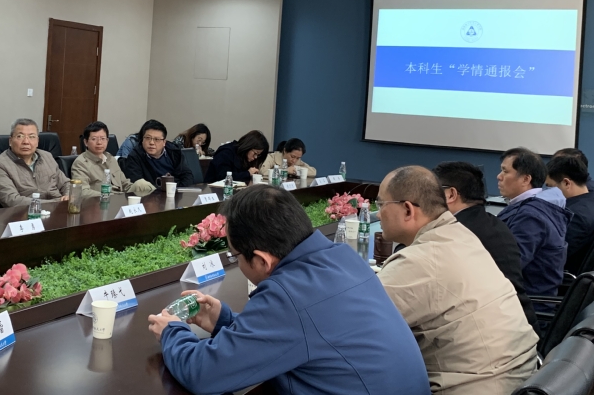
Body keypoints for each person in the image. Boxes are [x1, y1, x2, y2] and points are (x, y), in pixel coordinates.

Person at [147, 184, 431, 395]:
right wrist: (225, 321)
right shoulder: (343, 257)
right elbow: (303, 332)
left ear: (262, 260)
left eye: (235, 255)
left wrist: (172, 331)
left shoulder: (288, 296)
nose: (236, 261)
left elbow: (204, 374)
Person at [376, 166, 538, 394]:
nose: (377, 214)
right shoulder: (462, 236)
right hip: (520, 378)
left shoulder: (421, 260)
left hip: (479, 387)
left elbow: (352, 327)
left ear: (407, 210)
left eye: (381, 204)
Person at [433, 161, 539, 332]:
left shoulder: (456, 234)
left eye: (431, 194)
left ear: (450, 195)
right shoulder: (493, 223)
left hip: (495, 330)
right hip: (519, 324)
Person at [496, 147, 571, 303]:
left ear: (525, 179)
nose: (499, 176)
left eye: (505, 171)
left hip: (526, 303)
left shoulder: (531, 217)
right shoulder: (537, 206)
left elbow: (509, 266)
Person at [0, 118, 70, 207]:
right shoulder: (0, 166)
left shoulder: (47, 156)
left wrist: (68, 196)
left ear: (37, 141)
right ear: (10, 141)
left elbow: (66, 184)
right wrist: (56, 203)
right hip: (27, 212)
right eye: (20, 136)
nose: (26, 142)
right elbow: (12, 200)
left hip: (58, 209)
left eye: (32, 137)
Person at [71, 121, 154, 199]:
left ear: (107, 141)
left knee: (142, 184)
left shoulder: (110, 158)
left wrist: (136, 187)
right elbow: (83, 192)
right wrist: (111, 196)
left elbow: (125, 183)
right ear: (86, 142)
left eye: (103, 138)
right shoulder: (80, 163)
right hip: (100, 202)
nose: (99, 142)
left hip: (120, 198)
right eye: (94, 139)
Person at [546, 154, 594, 274]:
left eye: (550, 187)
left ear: (567, 183)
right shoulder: (589, 201)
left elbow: (553, 257)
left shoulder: (574, 216)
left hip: (564, 278)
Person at [124, 120, 194, 187]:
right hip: (150, 194)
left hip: (175, 191)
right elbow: (138, 184)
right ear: (142, 140)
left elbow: (187, 175)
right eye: (148, 138)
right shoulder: (134, 157)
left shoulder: (174, 152)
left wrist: (174, 190)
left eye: (156, 139)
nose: (151, 142)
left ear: (164, 142)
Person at [204, 130, 268, 183]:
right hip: (212, 189)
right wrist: (247, 173)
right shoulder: (226, 152)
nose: (256, 157)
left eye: (258, 155)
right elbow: (222, 177)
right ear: (248, 147)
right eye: (255, 153)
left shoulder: (245, 158)